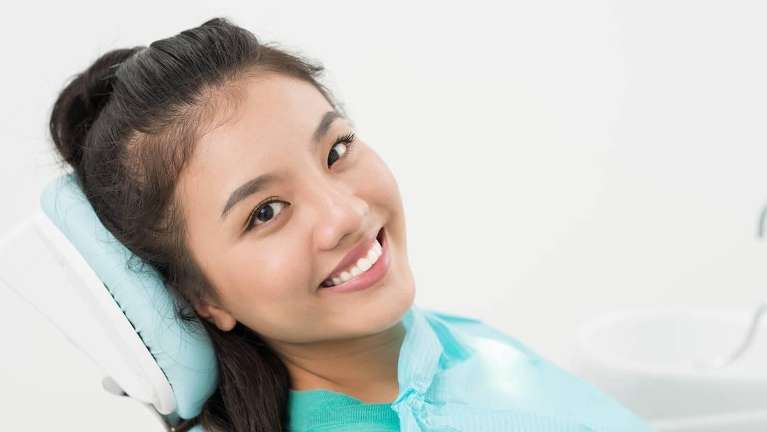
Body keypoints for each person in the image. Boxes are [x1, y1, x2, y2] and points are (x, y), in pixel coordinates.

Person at [48, 17, 652, 432]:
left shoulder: (442, 345)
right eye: (265, 213)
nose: (345, 214)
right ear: (201, 295)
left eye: (336, 151)